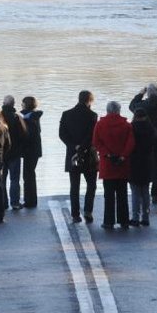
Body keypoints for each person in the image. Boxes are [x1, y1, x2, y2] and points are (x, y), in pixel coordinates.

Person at [93, 101, 135, 230]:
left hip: (107, 164)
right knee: (122, 194)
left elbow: (96, 142)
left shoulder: (100, 124)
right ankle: (124, 221)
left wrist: (107, 154)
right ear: (119, 110)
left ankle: (108, 221)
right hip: (122, 164)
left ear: (107, 110)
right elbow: (131, 143)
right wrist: (123, 156)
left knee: (109, 195)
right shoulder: (126, 125)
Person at [59, 90, 99, 223]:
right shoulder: (93, 115)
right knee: (91, 185)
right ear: (90, 100)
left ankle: (75, 214)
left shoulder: (66, 114)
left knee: (74, 186)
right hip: (88, 154)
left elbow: (62, 134)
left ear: (79, 99)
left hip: (72, 154)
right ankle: (88, 211)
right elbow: (92, 136)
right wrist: (82, 147)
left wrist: (74, 146)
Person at [129, 83, 157, 204]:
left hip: (143, 141)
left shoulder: (142, 106)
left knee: (143, 165)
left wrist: (140, 94)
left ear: (147, 94)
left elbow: (131, 106)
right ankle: (155, 194)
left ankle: (143, 191)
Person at [128, 107, 157, 227]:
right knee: (145, 192)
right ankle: (146, 218)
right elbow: (156, 145)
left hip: (134, 163)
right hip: (147, 162)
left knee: (135, 192)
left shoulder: (131, 128)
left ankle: (135, 217)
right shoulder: (151, 129)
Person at [1, 95, 28, 210]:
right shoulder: (17, 117)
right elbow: (24, 134)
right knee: (15, 179)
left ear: (3, 104)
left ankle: (3, 203)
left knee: (1, 180)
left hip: (1, 154)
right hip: (15, 153)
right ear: (13, 104)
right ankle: (15, 203)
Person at [21, 96, 43, 209]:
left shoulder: (28, 118)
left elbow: (28, 136)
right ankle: (31, 200)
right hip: (35, 150)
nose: (21, 105)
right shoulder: (34, 116)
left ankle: (29, 201)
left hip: (30, 151)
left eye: (22, 103)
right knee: (30, 174)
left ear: (26, 105)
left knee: (28, 176)